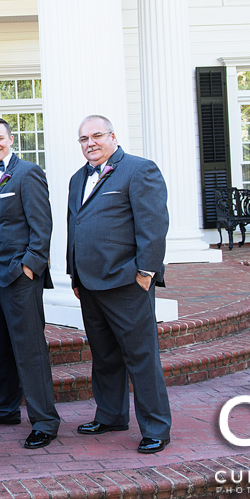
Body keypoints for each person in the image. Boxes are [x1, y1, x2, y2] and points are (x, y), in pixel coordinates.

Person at [67, 115, 172, 454]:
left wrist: (145, 273)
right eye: (83, 139)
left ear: (113, 136)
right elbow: (76, 226)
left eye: (96, 136)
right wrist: (74, 274)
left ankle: (156, 427)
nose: (90, 143)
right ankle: (111, 414)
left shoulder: (139, 170)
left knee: (140, 356)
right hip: (90, 285)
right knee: (104, 355)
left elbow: (153, 226)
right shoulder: (76, 179)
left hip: (128, 283)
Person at [0, 118, 61, 449]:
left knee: (29, 348)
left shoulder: (28, 173)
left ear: (10, 139)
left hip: (20, 275)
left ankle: (45, 421)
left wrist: (31, 267)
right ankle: (4, 408)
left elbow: (42, 225)